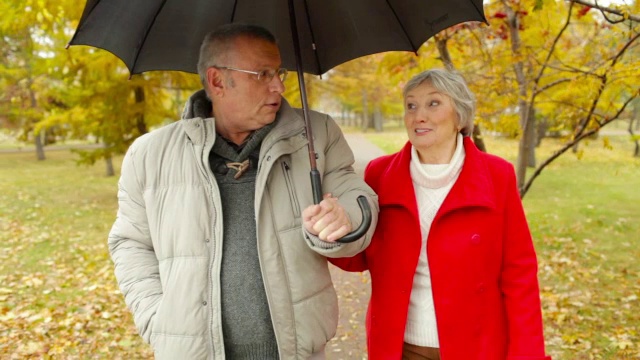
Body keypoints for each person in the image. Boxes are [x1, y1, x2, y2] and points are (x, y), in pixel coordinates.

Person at [108, 24, 378, 359]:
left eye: (278, 72)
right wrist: (155, 315)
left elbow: (355, 194)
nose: (278, 85)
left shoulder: (316, 135)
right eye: (263, 73)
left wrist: (345, 218)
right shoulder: (149, 154)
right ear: (218, 81)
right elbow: (130, 242)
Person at [330, 69, 551, 360]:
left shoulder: (498, 176)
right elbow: (357, 256)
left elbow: (519, 275)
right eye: (411, 105)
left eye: (433, 103)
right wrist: (333, 228)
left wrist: (527, 355)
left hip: (477, 347)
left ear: (459, 116)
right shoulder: (380, 175)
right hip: (401, 347)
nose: (419, 115)